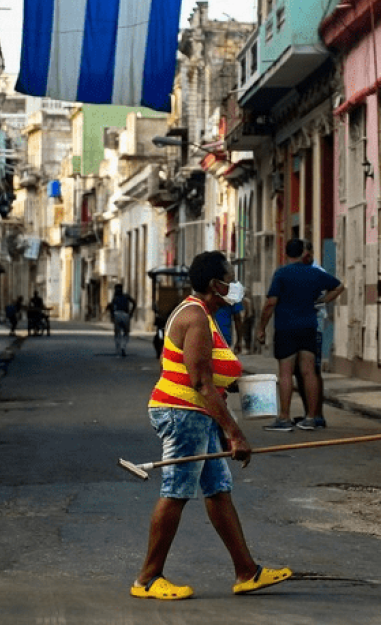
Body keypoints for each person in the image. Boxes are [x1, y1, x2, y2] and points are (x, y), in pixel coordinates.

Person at [133, 251, 292, 601]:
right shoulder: (195, 317)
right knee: (176, 492)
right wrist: (235, 433)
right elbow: (200, 382)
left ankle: (246, 572)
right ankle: (147, 578)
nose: (235, 285)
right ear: (214, 285)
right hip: (182, 413)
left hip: (197, 414)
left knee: (218, 491)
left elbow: (207, 377)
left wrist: (232, 392)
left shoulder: (205, 314)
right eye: (229, 279)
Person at [256, 239, 344, 432]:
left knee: (286, 373)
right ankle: (311, 417)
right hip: (308, 327)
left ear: (286, 253)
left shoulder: (281, 273)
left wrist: (261, 327)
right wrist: (321, 301)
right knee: (309, 372)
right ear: (303, 252)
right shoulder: (314, 273)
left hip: (286, 328)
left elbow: (271, 303)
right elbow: (339, 287)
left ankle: (284, 417)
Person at [294, 240, 332, 428]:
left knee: (312, 370)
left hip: (313, 326)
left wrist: (315, 302)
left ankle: (317, 414)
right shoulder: (299, 271)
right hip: (298, 326)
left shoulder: (317, 272)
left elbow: (335, 288)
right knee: (300, 372)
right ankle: (308, 412)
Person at [106, 283, 137, 356]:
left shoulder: (115, 298)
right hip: (126, 315)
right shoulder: (126, 296)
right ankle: (123, 347)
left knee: (117, 333)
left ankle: (118, 349)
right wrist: (131, 313)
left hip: (117, 315)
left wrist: (112, 317)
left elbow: (111, 308)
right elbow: (134, 303)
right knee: (126, 333)